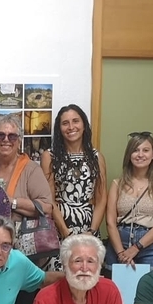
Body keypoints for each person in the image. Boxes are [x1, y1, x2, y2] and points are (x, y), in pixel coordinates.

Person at [0, 112, 54, 258]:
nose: (6, 140)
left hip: (18, 250)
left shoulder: (31, 170)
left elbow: (47, 207)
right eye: (0, 135)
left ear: (19, 140)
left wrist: (12, 203)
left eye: (12, 136)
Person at [41, 104, 107, 267]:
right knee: (59, 279)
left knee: (86, 276)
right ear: (59, 128)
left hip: (88, 228)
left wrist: (91, 232)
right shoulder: (50, 156)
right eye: (65, 123)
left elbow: (101, 198)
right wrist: (65, 232)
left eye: (75, 121)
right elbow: (49, 199)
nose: (71, 127)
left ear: (84, 125)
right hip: (59, 228)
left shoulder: (96, 156)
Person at [106, 132, 153, 269]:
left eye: (146, 150)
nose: (140, 154)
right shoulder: (117, 184)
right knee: (118, 288)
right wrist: (121, 253)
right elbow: (110, 222)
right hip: (119, 242)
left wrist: (136, 248)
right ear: (129, 155)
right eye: (135, 150)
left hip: (152, 244)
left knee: (152, 286)